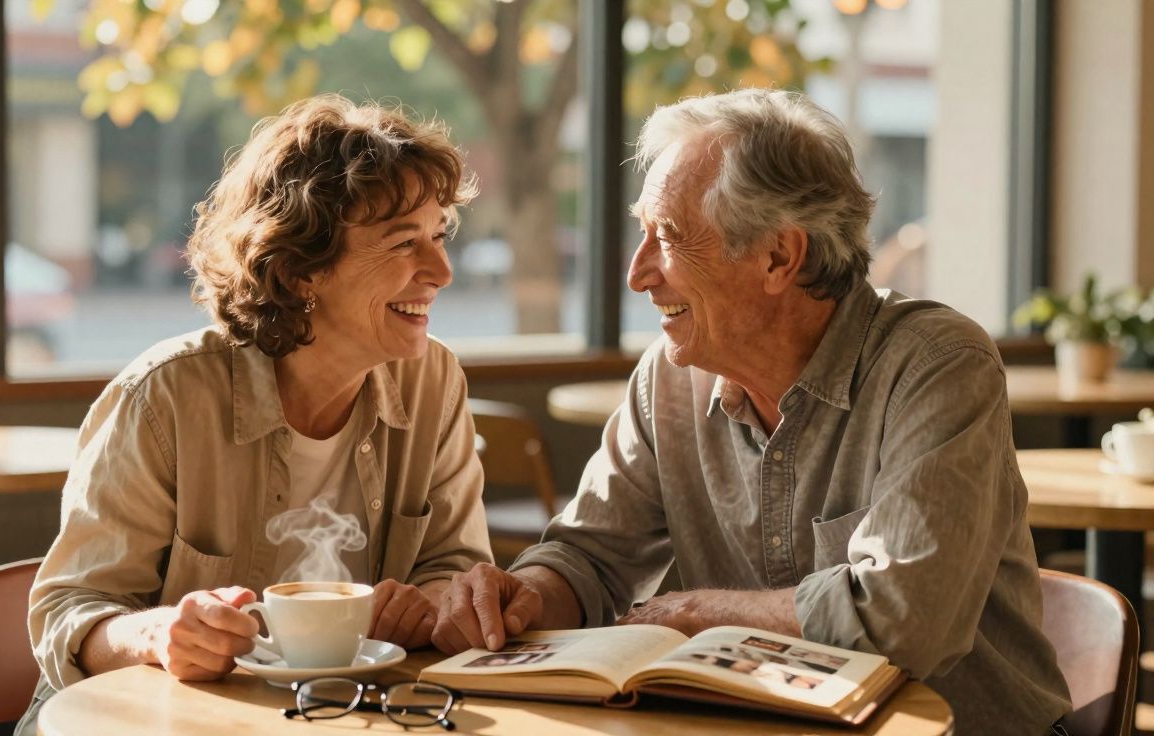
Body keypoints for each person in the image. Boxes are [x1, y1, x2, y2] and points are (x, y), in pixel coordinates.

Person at [432, 89, 1071, 735]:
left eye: (670, 237)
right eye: (641, 233)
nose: (637, 273)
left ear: (777, 256)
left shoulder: (935, 364)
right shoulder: (668, 376)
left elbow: (903, 621)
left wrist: (696, 611)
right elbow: (592, 556)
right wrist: (525, 595)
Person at [18, 95, 492, 733]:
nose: (440, 271)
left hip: (332, 717)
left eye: (438, 237)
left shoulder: (434, 381)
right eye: (403, 243)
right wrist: (158, 635)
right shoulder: (164, 397)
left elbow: (454, 565)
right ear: (301, 270)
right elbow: (68, 611)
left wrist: (432, 601)